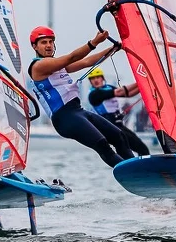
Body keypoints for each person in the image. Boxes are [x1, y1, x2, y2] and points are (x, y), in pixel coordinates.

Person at [27, 26, 152, 166]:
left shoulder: (57, 65)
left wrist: (113, 49)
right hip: (64, 118)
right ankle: (132, 174)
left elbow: (87, 62)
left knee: (119, 136)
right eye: (44, 42)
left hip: (78, 111)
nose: (49, 45)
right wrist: (94, 42)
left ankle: (138, 169)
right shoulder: (38, 66)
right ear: (34, 47)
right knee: (103, 145)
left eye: (51, 42)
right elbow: (71, 57)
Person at [85, 66, 147, 157]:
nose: (96, 80)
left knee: (142, 148)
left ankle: (145, 168)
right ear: (90, 81)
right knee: (124, 149)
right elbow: (119, 92)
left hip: (119, 126)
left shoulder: (109, 88)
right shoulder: (94, 94)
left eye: (98, 77)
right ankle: (129, 167)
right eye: (92, 78)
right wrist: (141, 81)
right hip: (108, 127)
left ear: (102, 78)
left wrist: (144, 86)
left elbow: (128, 94)